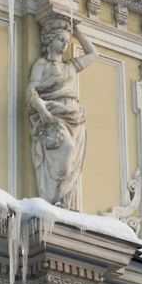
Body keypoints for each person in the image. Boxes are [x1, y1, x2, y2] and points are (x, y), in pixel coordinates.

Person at [26, 14, 98, 209]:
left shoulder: (70, 66)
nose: (65, 44)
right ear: (50, 39)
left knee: (73, 162)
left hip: (74, 117)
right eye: (61, 39)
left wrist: (76, 31)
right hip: (54, 114)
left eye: (67, 41)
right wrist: (42, 109)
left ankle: (63, 201)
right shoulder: (42, 65)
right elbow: (30, 92)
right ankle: (53, 199)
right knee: (66, 150)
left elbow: (93, 54)